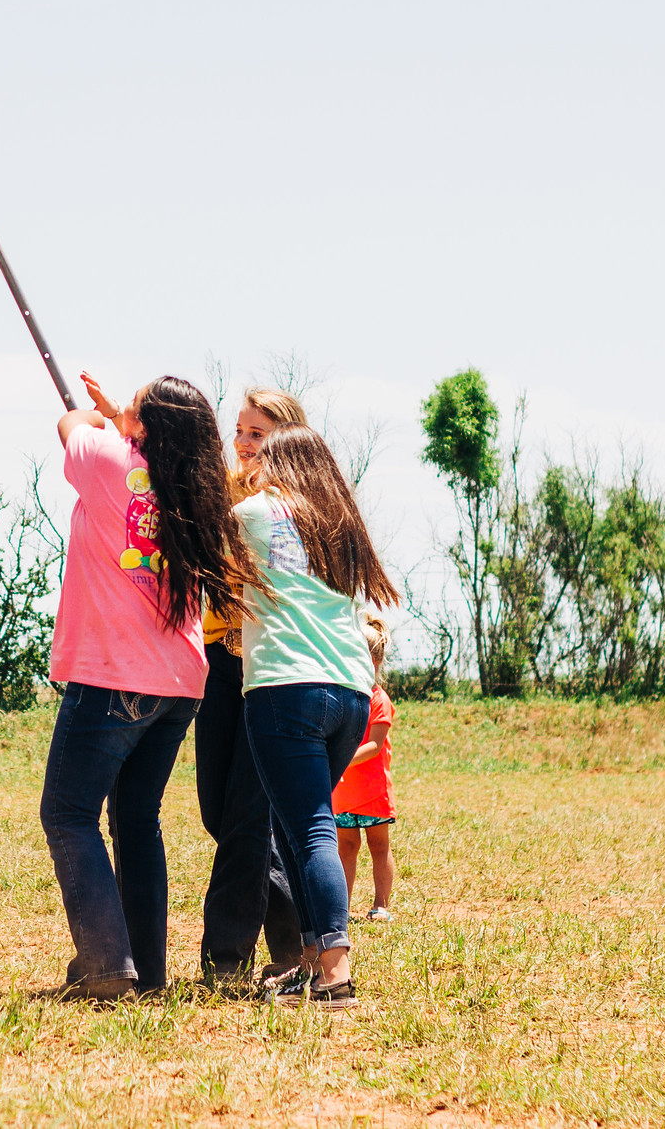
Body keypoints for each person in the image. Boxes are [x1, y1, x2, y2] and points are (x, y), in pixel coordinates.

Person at [41, 372, 259, 1000]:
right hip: (181, 681)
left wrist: (105, 420)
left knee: (68, 813)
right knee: (136, 819)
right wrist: (125, 420)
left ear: (149, 424)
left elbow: (68, 427)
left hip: (113, 676)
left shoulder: (111, 460)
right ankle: (145, 970)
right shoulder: (197, 492)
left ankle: (107, 963)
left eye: (136, 396)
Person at [237, 423, 401, 1009]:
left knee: (309, 828)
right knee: (294, 822)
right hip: (351, 691)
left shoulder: (252, 514)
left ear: (277, 462)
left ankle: (335, 972)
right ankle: (310, 958)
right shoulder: (339, 523)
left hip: (284, 686)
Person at [194, 388, 307, 983]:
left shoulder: (296, 508)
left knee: (244, 812)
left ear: (286, 440)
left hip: (268, 664)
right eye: (238, 430)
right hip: (216, 657)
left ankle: (227, 958)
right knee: (219, 807)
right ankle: (295, 942)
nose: (241, 442)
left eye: (257, 433)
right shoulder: (228, 493)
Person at [334, 613, 396, 922]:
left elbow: (374, 745)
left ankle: (380, 905)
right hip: (344, 793)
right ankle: (340, 908)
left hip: (372, 793)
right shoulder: (345, 697)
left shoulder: (378, 699)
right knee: (345, 846)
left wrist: (342, 757)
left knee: (379, 845)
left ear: (373, 659)